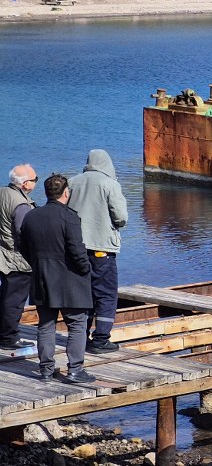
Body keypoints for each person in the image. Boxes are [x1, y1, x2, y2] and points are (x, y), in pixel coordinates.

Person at [20, 174, 95, 383]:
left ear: (46, 193)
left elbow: (23, 247)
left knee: (46, 324)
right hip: (69, 279)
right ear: (66, 193)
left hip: (42, 277)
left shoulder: (31, 216)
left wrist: (37, 264)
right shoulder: (69, 217)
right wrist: (85, 269)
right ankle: (75, 369)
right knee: (77, 323)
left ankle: (45, 370)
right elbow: (77, 250)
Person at [68, 150, 128, 354]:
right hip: (102, 249)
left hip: (75, 249)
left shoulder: (72, 182)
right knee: (106, 294)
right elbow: (121, 217)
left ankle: (80, 336)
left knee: (81, 292)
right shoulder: (110, 184)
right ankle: (101, 339)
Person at [0, 164, 38, 350]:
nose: (36, 183)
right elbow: (25, 233)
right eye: (34, 180)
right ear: (25, 184)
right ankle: (9, 337)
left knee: (6, 295)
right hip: (17, 258)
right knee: (14, 300)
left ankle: (4, 333)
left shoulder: (3, 192)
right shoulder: (21, 204)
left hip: (3, 254)